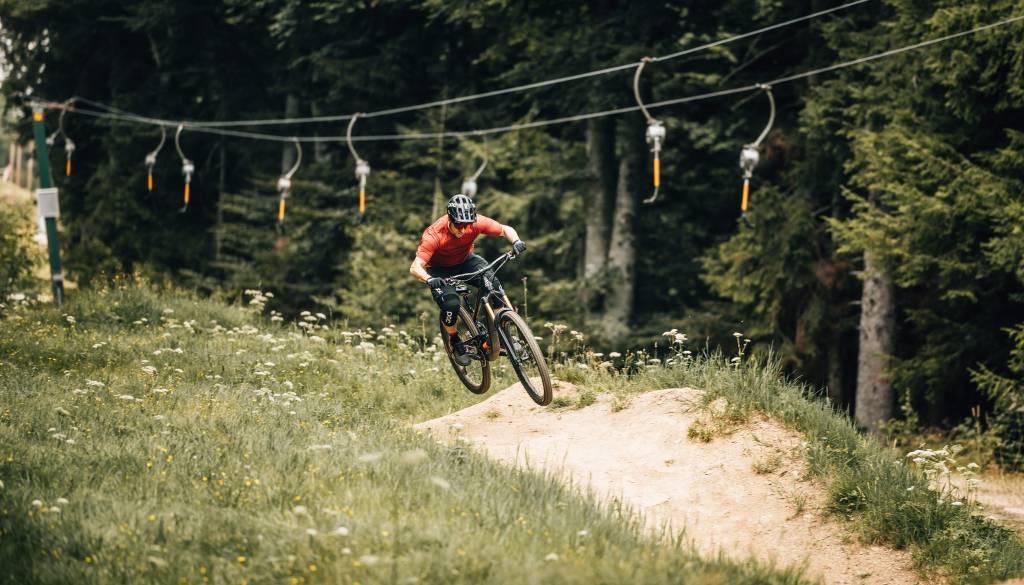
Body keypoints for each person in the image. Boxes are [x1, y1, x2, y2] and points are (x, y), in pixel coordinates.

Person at [410, 194, 526, 366]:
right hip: (439, 270)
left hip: (466, 261)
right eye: (459, 225)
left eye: (467, 225)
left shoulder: (476, 222)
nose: (463, 230)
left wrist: (516, 241)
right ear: (450, 219)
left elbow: (504, 229)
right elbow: (415, 267)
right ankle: (455, 341)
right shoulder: (434, 235)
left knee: (493, 285)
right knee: (451, 305)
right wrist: (429, 279)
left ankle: (504, 335)